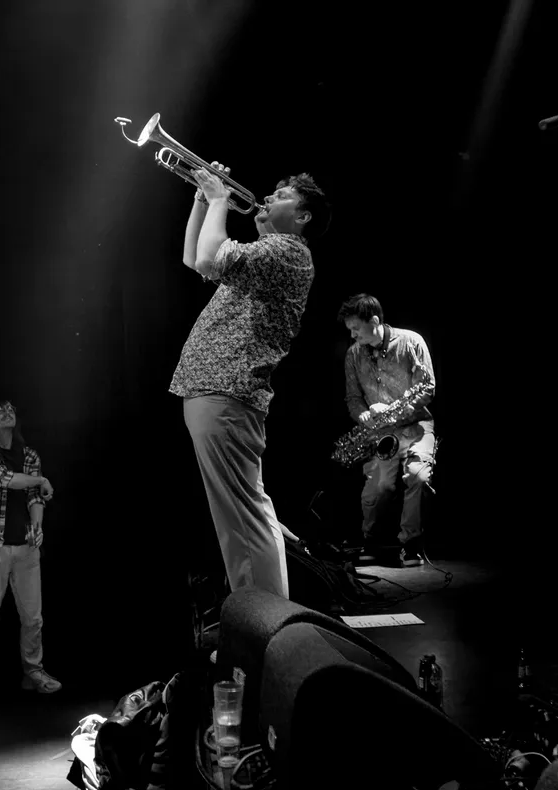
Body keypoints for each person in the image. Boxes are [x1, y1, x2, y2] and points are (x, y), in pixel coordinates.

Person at [173, 163, 331, 598]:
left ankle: (265, 619)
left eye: (282, 196)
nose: (268, 197)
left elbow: (209, 257)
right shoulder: (264, 256)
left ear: (302, 216)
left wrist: (219, 199)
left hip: (227, 390)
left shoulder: (287, 251)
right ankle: (259, 615)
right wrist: (202, 200)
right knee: (241, 519)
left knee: (246, 520)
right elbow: (195, 259)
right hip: (217, 390)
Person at [0, 400, 60, 705]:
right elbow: (4, 479)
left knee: (33, 617)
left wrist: (37, 525)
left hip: (25, 547)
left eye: (11, 408)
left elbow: (35, 498)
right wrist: (42, 480)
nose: (7, 412)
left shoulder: (29, 454)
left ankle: (33, 671)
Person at [339, 294, 437, 567]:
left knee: (418, 476)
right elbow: (353, 399)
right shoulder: (353, 354)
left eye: (356, 328)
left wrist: (393, 409)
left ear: (374, 321)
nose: (352, 334)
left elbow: (428, 387)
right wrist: (364, 414)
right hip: (381, 432)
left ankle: (412, 545)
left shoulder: (412, 342)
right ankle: (372, 541)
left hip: (416, 426)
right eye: (350, 329)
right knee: (378, 488)